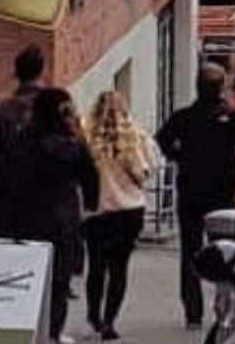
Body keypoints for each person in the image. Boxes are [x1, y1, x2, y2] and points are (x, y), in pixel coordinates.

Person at [157, 64, 235, 330]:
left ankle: (193, 312)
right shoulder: (232, 118)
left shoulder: (183, 118)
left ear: (197, 86)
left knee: (190, 251)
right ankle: (224, 304)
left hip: (190, 191)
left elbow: (161, 139)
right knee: (225, 251)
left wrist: (179, 156)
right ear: (221, 87)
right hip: (222, 194)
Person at [21, 88, 99, 343]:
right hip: (64, 214)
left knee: (30, 273)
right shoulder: (72, 144)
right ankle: (53, 331)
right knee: (60, 278)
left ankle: (31, 326)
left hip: (30, 212)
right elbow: (91, 177)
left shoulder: (26, 139)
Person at [84, 90, 154, 341]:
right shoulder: (133, 138)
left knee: (96, 266)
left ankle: (93, 313)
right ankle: (109, 321)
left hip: (97, 211)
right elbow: (143, 171)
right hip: (128, 210)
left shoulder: (88, 138)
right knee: (119, 268)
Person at [0, 44, 46, 237]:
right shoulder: (54, 107)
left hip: (11, 199)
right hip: (48, 202)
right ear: (41, 71)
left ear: (17, 74)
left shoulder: (0, 112)